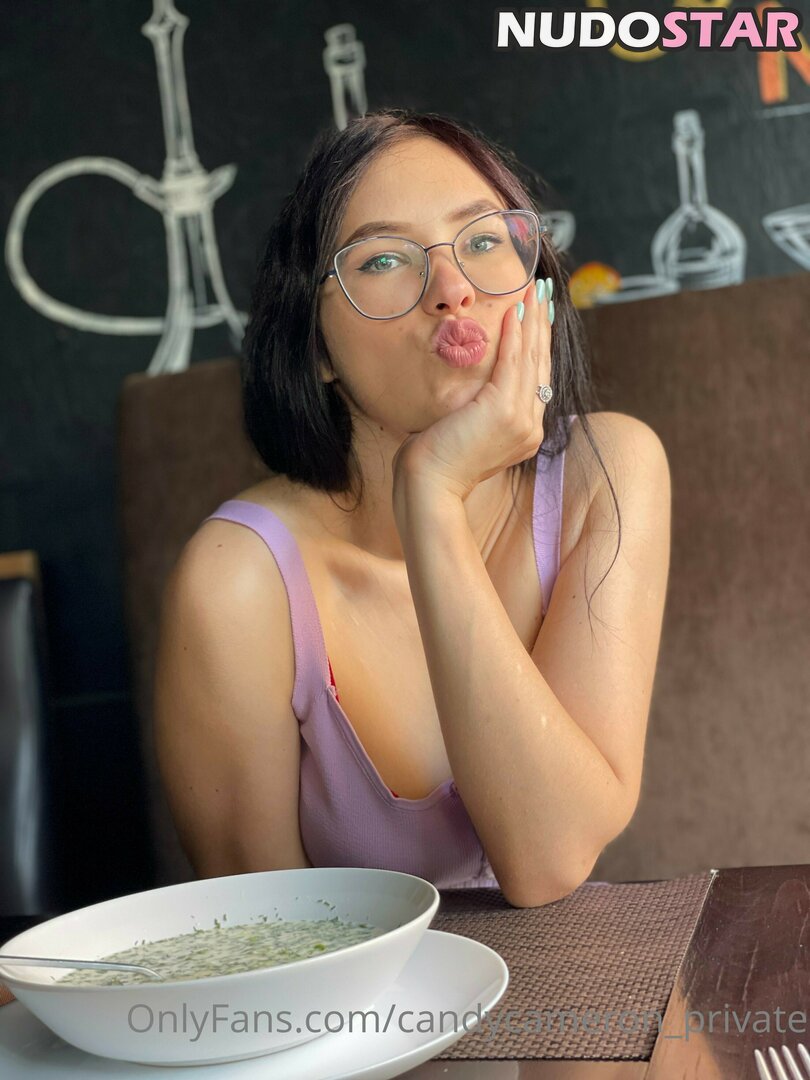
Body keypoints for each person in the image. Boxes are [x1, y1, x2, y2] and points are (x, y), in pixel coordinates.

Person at [153, 108, 671, 908]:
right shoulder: (237, 583)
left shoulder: (608, 472)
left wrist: (432, 493)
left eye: (484, 240)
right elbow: (268, 944)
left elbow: (547, 859)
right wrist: (432, 490)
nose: (453, 289)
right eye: (385, 259)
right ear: (315, 347)